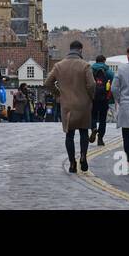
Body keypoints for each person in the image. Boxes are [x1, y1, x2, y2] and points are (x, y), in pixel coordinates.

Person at [46, 40, 97, 173]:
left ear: (70, 49)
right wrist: (90, 96)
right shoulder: (85, 66)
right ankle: (83, 157)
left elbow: (48, 83)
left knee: (69, 135)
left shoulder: (59, 66)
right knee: (84, 132)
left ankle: (72, 163)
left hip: (67, 104)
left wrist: (59, 94)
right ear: (80, 50)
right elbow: (91, 85)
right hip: (83, 104)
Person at [90, 55, 113, 145]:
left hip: (93, 98)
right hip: (104, 98)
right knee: (103, 119)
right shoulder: (109, 72)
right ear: (104, 61)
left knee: (93, 115)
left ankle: (93, 128)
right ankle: (100, 139)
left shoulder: (90, 70)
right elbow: (113, 85)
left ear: (96, 61)